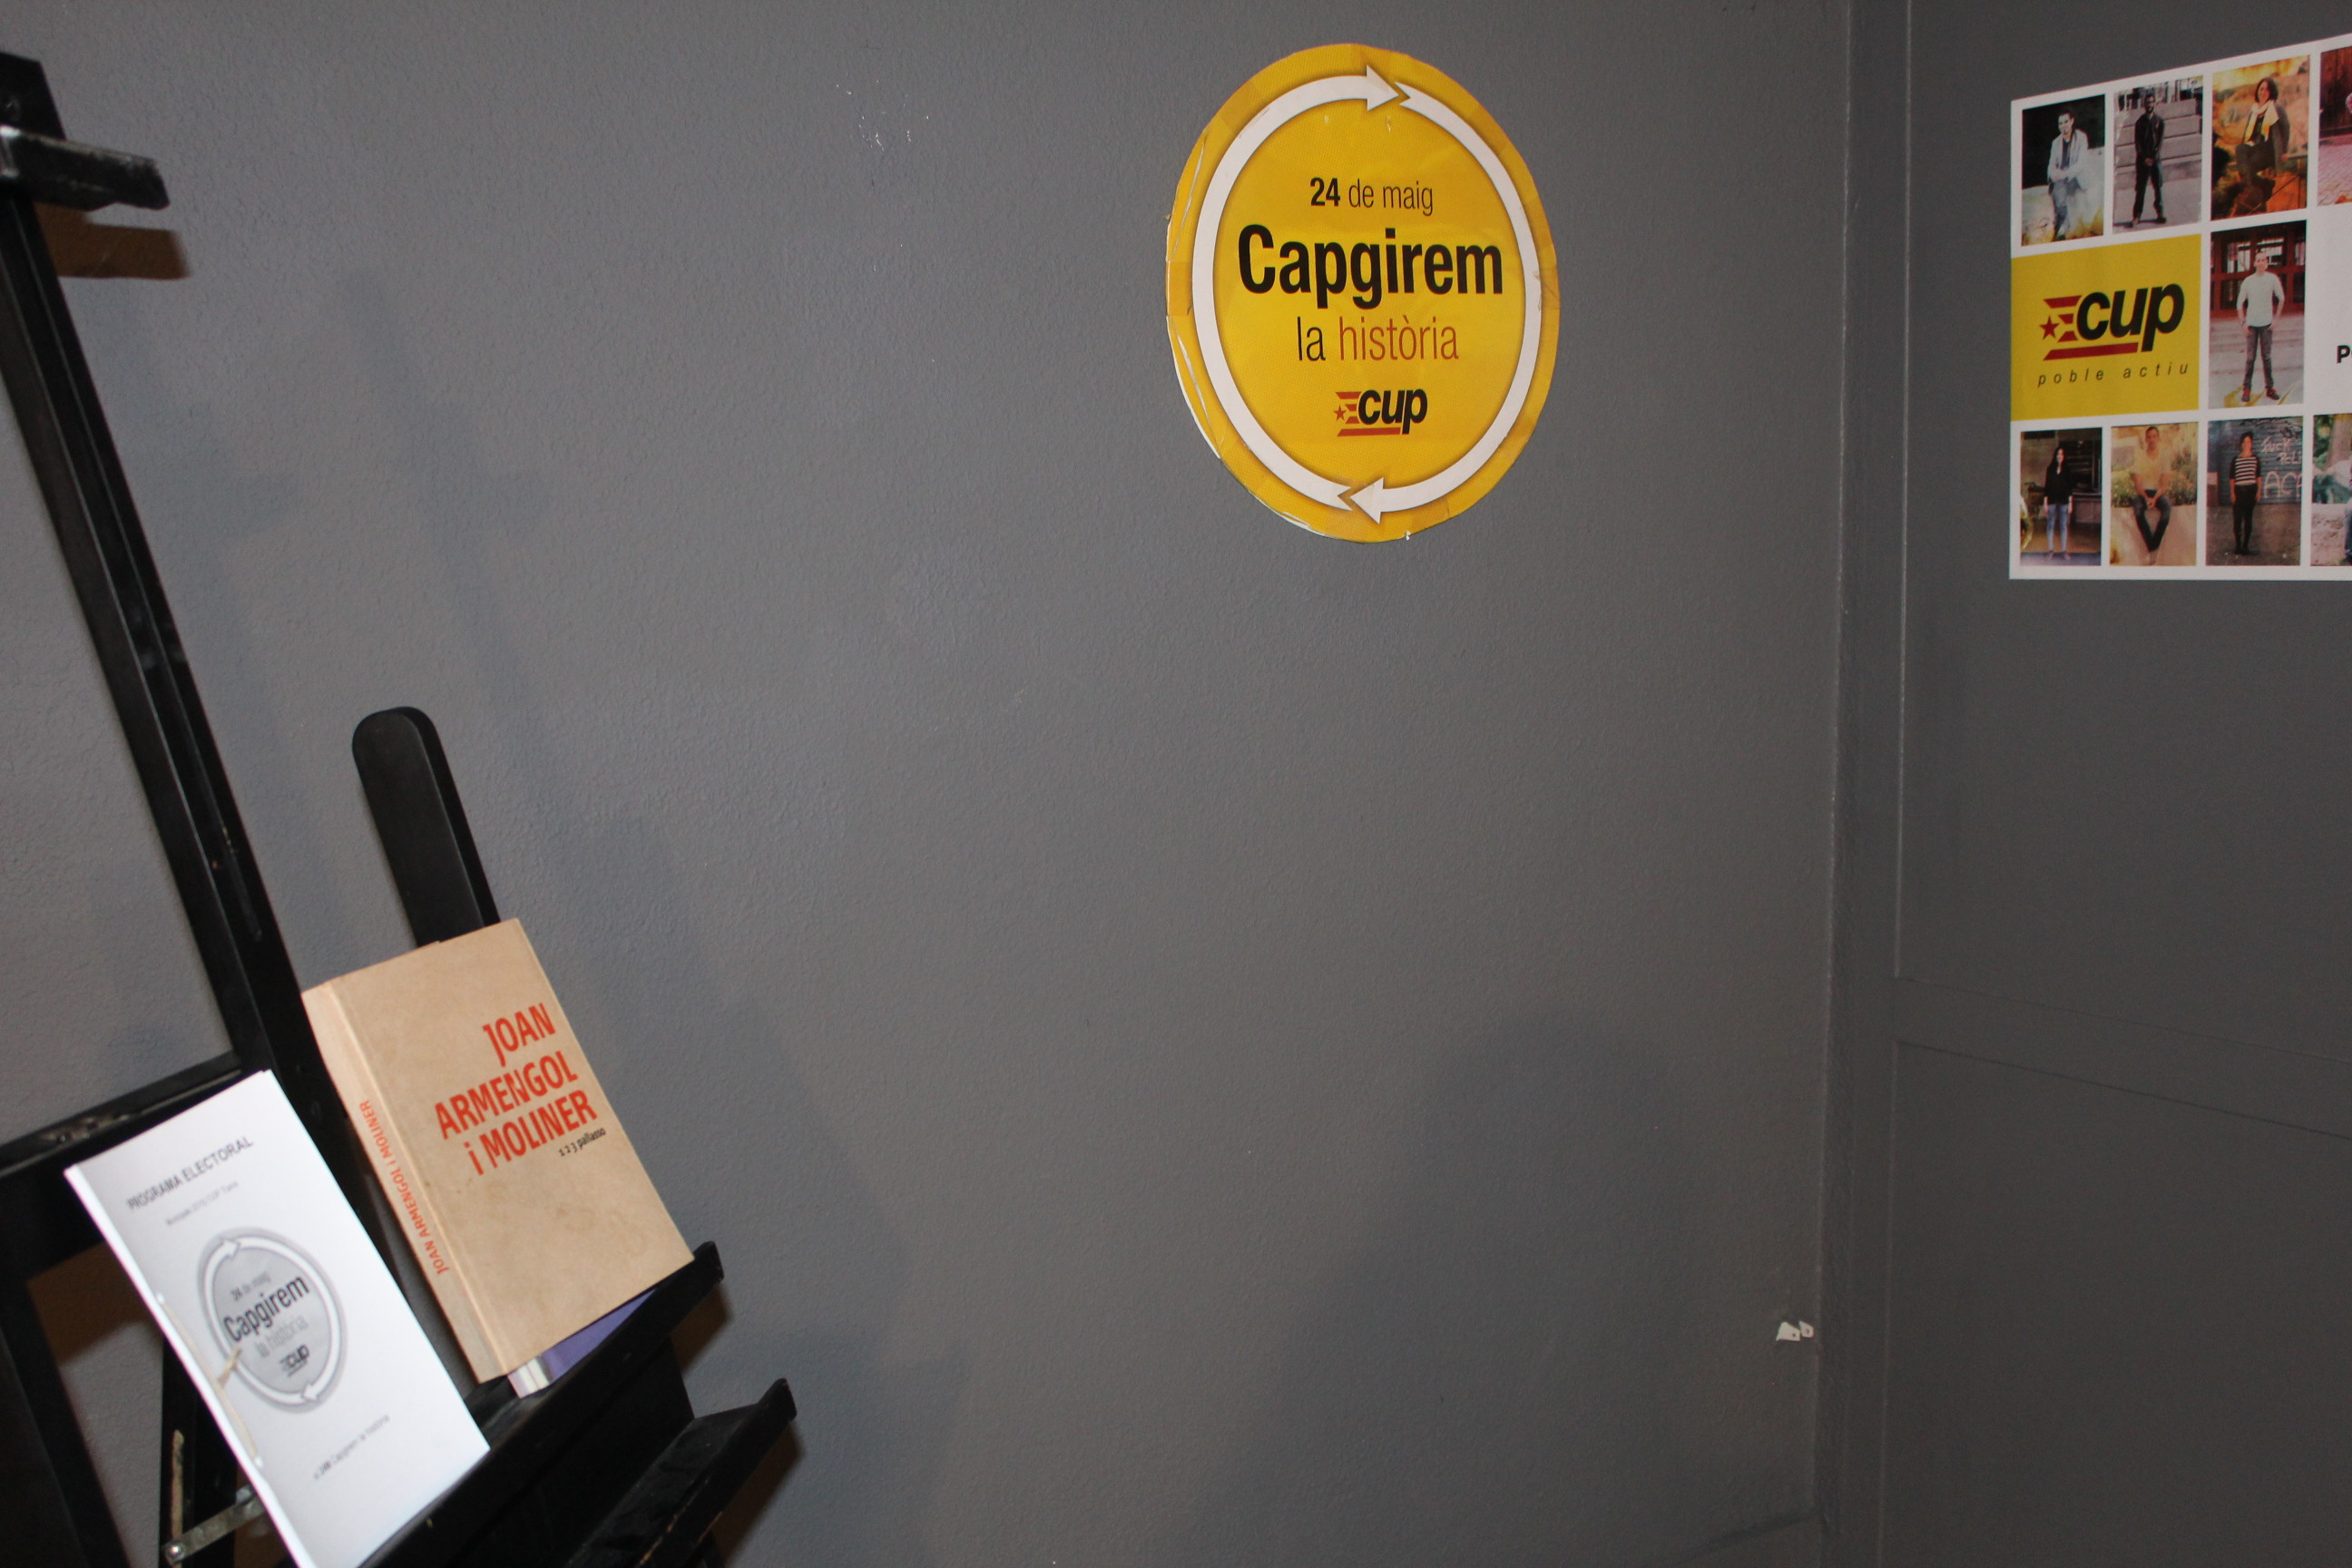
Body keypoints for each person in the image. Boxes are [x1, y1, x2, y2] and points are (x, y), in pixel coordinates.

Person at [2230, 76, 2287, 213]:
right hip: (2255, 146)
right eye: (2261, 89)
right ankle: (2263, 185)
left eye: (2267, 89)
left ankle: (2255, 189)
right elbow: (2249, 132)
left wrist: (2284, 151)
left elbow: (2285, 128)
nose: (2263, 92)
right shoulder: (2254, 110)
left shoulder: (2276, 108)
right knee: (2240, 149)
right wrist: (2246, 146)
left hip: (2269, 149)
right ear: (2257, 91)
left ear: (2271, 92)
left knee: (2247, 168)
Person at [2237, 245, 2286, 404]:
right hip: (2251, 324)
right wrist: (2243, 323)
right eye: (2258, 260)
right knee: (2250, 358)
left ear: (2267, 263)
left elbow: (2281, 298)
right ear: (2254, 263)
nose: (2260, 263)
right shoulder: (2248, 281)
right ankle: (2247, 388)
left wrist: (2276, 319)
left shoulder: (2272, 279)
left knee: (2267, 357)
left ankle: (2270, 388)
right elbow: (2239, 303)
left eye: (2263, 260)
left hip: (2266, 324)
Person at [2047, 108, 2093, 238]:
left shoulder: (2081, 137)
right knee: (2058, 190)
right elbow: (2051, 164)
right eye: (2060, 123)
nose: (2063, 126)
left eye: (2066, 122)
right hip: (2062, 178)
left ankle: (2070, 224)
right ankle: (2064, 223)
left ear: (2072, 121)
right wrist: (2053, 173)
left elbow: (2081, 163)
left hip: (2077, 176)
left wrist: (2065, 174)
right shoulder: (2055, 142)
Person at [2128, 426, 2173, 556]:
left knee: (2167, 509)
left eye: (2154, 436)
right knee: (2137, 509)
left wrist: (2155, 498)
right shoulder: (2140, 457)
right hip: (2143, 493)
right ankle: (2153, 548)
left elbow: (2164, 485)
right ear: (2146, 440)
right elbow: (2138, 485)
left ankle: (2153, 546)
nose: (2152, 439)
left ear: (2158, 438)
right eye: (2149, 437)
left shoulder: (2164, 456)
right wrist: (2147, 498)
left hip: (2158, 493)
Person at [2132, 91, 2167, 224]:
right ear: (2144, 104)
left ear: (2154, 103)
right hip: (2142, 161)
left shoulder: (2160, 121)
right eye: (2147, 103)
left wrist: (2154, 157)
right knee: (2140, 189)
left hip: (2155, 160)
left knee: (2158, 187)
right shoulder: (2139, 123)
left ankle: (2160, 213)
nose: (2149, 105)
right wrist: (2144, 158)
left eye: (2151, 102)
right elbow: (2138, 144)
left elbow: (2160, 142)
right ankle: (2137, 216)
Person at [2043, 439, 2077, 557]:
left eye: (2062, 454)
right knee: (2050, 525)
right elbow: (2047, 486)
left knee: (2063, 525)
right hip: (2052, 500)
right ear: (2055, 455)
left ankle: (2064, 551)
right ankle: (2050, 550)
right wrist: (2045, 502)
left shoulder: (2068, 470)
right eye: (2058, 454)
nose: (2060, 456)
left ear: (2064, 456)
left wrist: (2070, 503)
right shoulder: (2050, 469)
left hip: (2063, 501)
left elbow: (2070, 488)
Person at [2230, 430, 2261, 556]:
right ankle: (2238, 545)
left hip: (2250, 492)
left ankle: (2246, 546)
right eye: (2244, 442)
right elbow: (2232, 478)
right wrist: (2232, 493)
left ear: (2251, 444)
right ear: (2241, 444)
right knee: (2237, 520)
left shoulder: (2255, 459)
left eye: (2248, 442)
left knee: (2248, 519)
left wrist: (2259, 491)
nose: (2246, 444)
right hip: (2239, 492)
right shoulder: (2235, 460)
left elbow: (2258, 477)